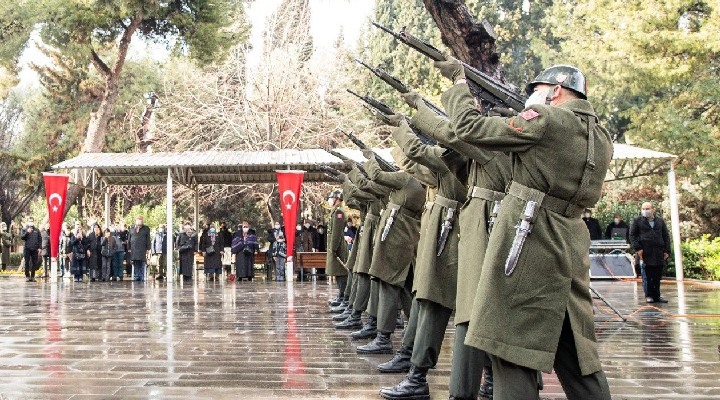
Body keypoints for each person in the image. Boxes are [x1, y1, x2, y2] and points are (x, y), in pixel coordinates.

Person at [434, 60, 613, 399]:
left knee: (508, 348)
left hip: (527, 242)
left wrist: (459, 83)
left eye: (536, 91)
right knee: (577, 354)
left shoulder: (546, 119)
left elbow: (469, 129)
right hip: (570, 245)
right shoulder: (601, 136)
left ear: (557, 91)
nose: (531, 97)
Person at [629, 202, 671, 303]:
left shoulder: (660, 221)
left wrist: (667, 251)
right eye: (643, 209)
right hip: (644, 252)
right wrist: (638, 248)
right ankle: (649, 295)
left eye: (647, 208)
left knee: (657, 275)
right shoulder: (637, 221)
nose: (645, 211)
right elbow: (632, 235)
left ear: (653, 209)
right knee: (647, 275)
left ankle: (657, 296)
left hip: (658, 252)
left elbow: (666, 236)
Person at [325, 189, 350, 302]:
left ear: (337, 199)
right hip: (334, 246)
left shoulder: (339, 212)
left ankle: (344, 297)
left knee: (341, 272)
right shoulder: (335, 211)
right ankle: (341, 295)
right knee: (337, 272)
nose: (330, 200)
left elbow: (336, 232)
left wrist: (333, 248)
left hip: (338, 247)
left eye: (332, 198)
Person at [128, 216, 151, 282]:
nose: (139, 221)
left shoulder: (146, 228)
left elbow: (148, 239)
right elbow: (129, 239)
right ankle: (136, 276)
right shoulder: (132, 228)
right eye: (138, 219)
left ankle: (141, 276)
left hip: (142, 249)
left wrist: (148, 248)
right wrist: (129, 247)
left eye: (140, 219)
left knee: (142, 263)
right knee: (135, 263)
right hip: (134, 249)